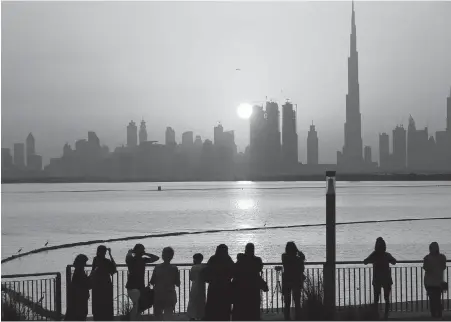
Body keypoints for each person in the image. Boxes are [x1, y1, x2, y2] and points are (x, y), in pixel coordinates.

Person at [363, 237, 396, 320]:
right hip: (386, 278)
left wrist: (372, 260)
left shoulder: (374, 255)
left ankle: (376, 315)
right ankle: (385, 315)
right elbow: (394, 261)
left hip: (377, 279)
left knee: (376, 299)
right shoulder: (386, 255)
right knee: (386, 298)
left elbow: (365, 261)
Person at [126, 244, 160, 321]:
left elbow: (156, 258)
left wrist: (145, 254)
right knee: (137, 305)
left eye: (143, 250)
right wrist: (131, 252)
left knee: (142, 304)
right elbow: (128, 256)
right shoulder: (131, 259)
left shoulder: (143, 260)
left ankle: (131, 318)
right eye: (142, 249)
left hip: (140, 287)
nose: (143, 251)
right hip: (132, 287)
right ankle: (131, 318)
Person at [232, 243, 264, 321]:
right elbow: (259, 269)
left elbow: (235, 270)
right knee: (253, 306)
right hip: (253, 286)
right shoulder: (257, 260)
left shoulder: (241, 259)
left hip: (241, 287)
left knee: (241, 307)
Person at [204, 244, 235, 321]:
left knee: (213, 307)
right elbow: (233, 271)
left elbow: (207, 271)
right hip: (225, 287)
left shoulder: (213, 259)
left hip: (214, 287)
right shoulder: (228, 259)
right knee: (224, 309)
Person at [150, 247, 180, 321]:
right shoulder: (174, 268)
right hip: (170, 295)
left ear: (163, 256)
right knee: (168, 316)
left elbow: (152, 281)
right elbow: (177, 283)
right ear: (172, 256)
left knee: (157, 316)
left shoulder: (157, 267)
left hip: (158, 294)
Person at [91, 245, 117, 321]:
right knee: (107, 306)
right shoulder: (106, 261)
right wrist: (110, 255)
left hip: (97, 286)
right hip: (106, 285)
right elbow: (114, 269)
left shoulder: (96, 260)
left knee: (98, 307)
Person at [281, 242, 306, 321]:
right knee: (297, 302)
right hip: (296, 281)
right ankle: (298, 318)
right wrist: (299, 253)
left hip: (287, 281)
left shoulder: (284, 257)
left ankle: (287, 318)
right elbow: (301, 267)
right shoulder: (298, 259)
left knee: (287, 302)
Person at [423, 242, 447, 318]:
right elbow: (443, 267)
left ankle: (434, 315)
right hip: (438, 281)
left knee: (432, 300)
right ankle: (439, 314)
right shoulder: (442, 257)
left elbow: (425, 268)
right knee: (437, 298)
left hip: (429, 282)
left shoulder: (427, 258)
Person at [65, 254, 91, 321]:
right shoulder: (79, 272)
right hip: (80, 300)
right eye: (84, 262)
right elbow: (85, 284)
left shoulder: (77, 271)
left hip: (77, 300)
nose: (85, 264)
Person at [187, 253, 207, 321]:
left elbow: (191, 278)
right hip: (202, 286)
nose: (193, 260)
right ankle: (201, 316)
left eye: (194, 259)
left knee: (193, 301)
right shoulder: (204, 267)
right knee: (201, 301)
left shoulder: (193, 267)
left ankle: (192, 316)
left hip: (194, 286)